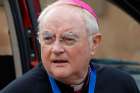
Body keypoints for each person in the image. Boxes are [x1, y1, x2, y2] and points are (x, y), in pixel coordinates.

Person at [1, 0, 139, 93]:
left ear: (94, 43)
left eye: (68, 39)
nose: (56, 49)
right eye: (48, 39)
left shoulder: (121, 85)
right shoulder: (18, 91)